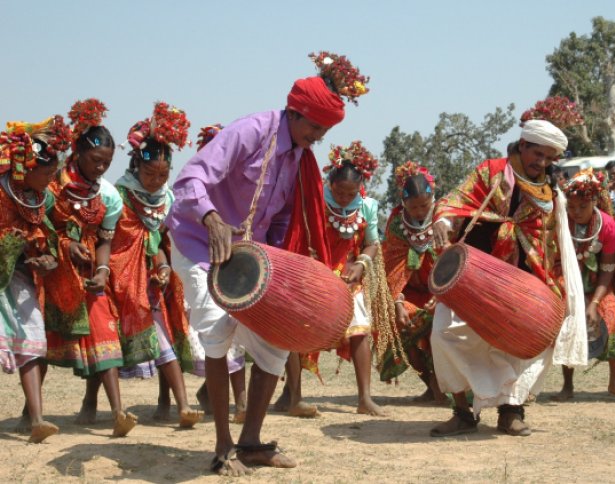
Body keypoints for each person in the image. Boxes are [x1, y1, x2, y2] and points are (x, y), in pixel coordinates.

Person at [166, 52, 367, 474]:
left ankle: (252, 442)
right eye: (313, 126)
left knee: (276, 339)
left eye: (324, 130)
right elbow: (190, 180)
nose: (317, 136)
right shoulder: (251, 130)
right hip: (198, 242)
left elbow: (278, 217)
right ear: (294, 113)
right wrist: (212, 218)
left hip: (247, 257)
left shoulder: (298, 157)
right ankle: (222, 447)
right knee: (217, 333)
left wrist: (278, 261)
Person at [430, 119, 587, 437]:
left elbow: (550, 241)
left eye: (547, 157)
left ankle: (511, 411)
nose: (540, 162)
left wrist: (553, 284)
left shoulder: (550, 192)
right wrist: (443, 219)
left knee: (519, 346)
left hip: (523, 279)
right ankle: (462, 412)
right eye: (536, 153)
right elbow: (456, 200)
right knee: (444, 333)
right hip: (473, 275)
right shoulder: (491, 171)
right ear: (522, 145)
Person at [100, 103, 203, 428]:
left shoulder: (168, 200)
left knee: (163, 336)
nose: (157, 180)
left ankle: (181, 405)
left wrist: (162, 266)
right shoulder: (120, 194)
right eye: (150, 174)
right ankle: (95, 404)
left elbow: (161, 239)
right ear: (136, 167)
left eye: (163, 175)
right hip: (120, 278)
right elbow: (123, 240)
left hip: (154, 283)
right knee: (107, 343)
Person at [43, 99, 138, 436]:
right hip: (53, 272)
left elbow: (104, 241)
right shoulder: (52, 184)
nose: (101, 168)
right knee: (45, 340)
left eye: (108, 163)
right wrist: (66, 246)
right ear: (78, 152)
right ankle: (33, 411)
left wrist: (102, 271)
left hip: (90, 276)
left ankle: (117, 413)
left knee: (105, 333)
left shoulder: (109, 196)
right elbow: (41, 227)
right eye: (96, 160)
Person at [299, 141, 396, 416]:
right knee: (297, 331)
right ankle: (290, 394)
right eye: (339, 191)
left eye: (350, 192)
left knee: (360, 329)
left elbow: (372, 243)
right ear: (329, 183)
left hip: (349, 279)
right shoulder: (315, 200)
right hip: (314, 275)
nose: (343, 197)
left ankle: (364, 398)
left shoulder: (366, 207)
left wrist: (362, 264)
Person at [0, 116, 70, 442]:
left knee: (33, 340)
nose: (51, 178)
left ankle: (37, 420)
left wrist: (48, 257)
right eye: (46, 173)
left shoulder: (46, 200)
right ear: (25, 168)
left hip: (20, 280)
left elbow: (54, 237)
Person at [551, 169, 615, 404]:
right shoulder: (560, 223)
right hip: (566, 279)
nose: (576, 212)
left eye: (582, 207)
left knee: (611, 314)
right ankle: (567, 385)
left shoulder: (607, 225)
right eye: (572, 207)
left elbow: (608, 267)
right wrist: (575, 298)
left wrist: (596, 302)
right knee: (568, 318)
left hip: (598, 282)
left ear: (595, 202)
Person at [187, 124, 248, 424]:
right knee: (216, 333)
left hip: (232, 265)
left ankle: (240, 403)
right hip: (197, 262)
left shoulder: (240, 190)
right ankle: (225, 424)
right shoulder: (194, 188)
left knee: (235, 329)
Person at [379, 161, 445, 404]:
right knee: (403, 322)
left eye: (424, 206)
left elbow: (450, 260)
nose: (419, 211)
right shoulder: (397, 223)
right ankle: (429, 383)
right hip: (407, 293)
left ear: (433, 200)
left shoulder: (443, 218)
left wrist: (441, 296)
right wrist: (396, 302)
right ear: (403, 203)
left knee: (441, 325)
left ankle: (443, 385)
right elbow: (391, 264)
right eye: (414, 206)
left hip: (442, 291)